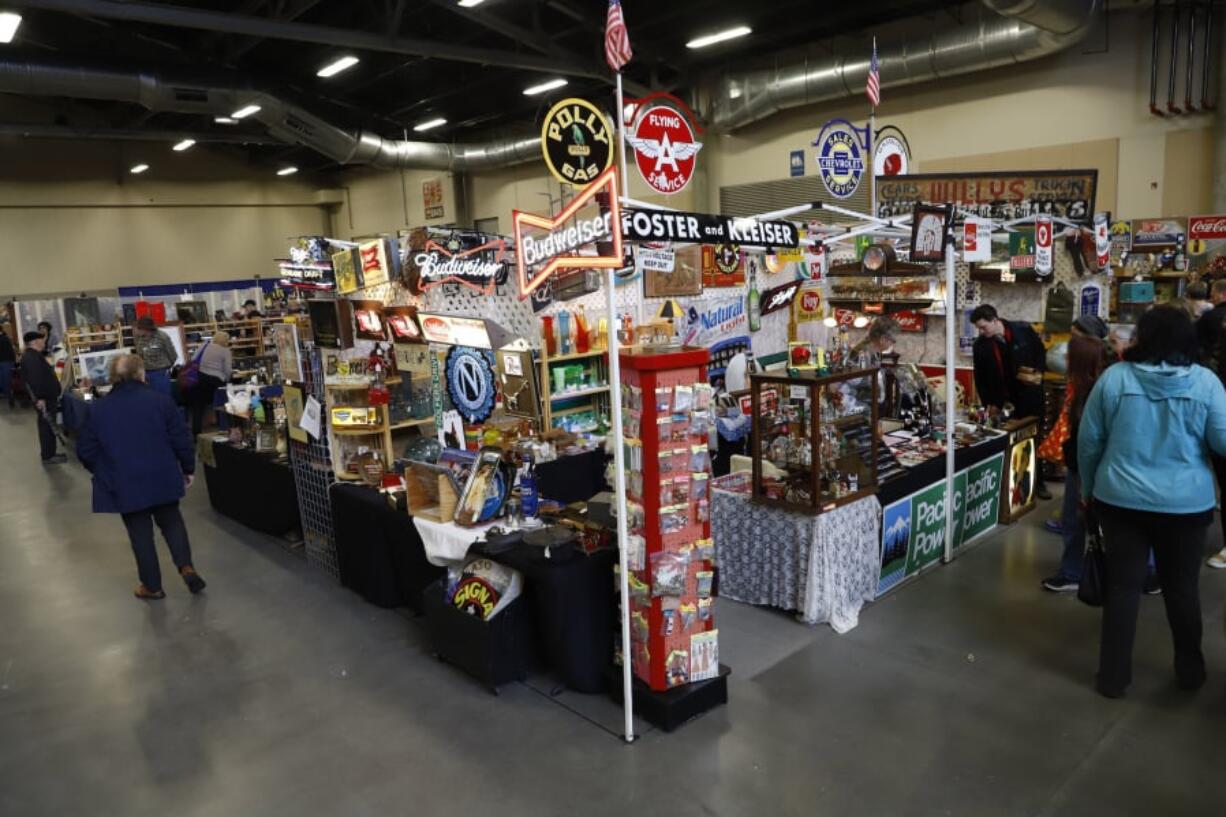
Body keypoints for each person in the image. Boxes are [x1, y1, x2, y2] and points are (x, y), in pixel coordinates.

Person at [1078, 305, 1226, 698]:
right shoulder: (1206, 384)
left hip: (1119, 499)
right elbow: (1223, 441)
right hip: (1186, 505)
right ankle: (1190, 672)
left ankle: (1112, 678)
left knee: (1122, 589)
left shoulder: (1115, 379)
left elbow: (1089, 442)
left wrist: (1087, 488)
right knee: (1182, 589)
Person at [77, 353, 205, 600]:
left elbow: (86, 450)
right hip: (162, 474)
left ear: (113, 377)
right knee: (172, 522)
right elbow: (182, 439)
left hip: (124, 480)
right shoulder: (161, 401)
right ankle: (186, 567)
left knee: (140, 533)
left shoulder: (100, 409)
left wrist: (104, 470)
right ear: (141, 374)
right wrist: (188, 469)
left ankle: (152, 586)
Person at [1041, 322, 1114, 591]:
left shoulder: (1092, 391)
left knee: (1077, 519)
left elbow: (1088, 435)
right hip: (1094, 463)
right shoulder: (1103, 383)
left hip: (1086, 464)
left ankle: (1074, 573)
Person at [970, 304, 1051, 499]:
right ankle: (1009, 487)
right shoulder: (980, 345)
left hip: (1030, 395)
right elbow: (980, 377)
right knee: (1006, 440)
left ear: (995, 320)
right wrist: (989, 403)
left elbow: (1040, 352)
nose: (981, 332)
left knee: (1033, 439)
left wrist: (1037, 373)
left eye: (983, 327)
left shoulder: (1022, 330)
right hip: (1003, 400)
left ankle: (1037, 483)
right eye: (978, 328)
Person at [19, 331, 65, 464]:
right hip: (44, 399)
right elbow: (35, 380)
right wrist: (40, 398)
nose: (44, 342)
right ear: (35, 342)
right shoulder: (31, 358)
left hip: (45, 397)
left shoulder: (33, 356)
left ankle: (50, 453)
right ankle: (48, 456)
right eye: (42, 340)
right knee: (47, 426)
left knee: (47, 425)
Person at [189, 330, 232, 436]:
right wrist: (226, 379)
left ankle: (196, 433)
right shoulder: (225, 351)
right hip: (217, 380)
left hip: (201, 378)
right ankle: (223, 429)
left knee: (198, 406)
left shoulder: (205, 344)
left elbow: (193, 358)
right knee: (222, 404)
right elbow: (228, 370)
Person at [132, 316, 178, 398]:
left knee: (163, 399)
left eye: (138, 329)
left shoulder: (162, 336)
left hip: (160, 373)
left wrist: (165, 369)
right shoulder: (138, 338)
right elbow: (139, 354)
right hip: (145, 374)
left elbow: (173, 355)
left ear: (145, 329)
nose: (136, 331)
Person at [0, 324, 15, 408]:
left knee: (6, 381)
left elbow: (10, 351)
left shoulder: (5, 338)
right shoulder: (6, 338)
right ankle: (8, 395)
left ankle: (9, 396)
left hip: (5, 362)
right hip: (6, 362)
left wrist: (12, 361)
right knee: (5, 380)